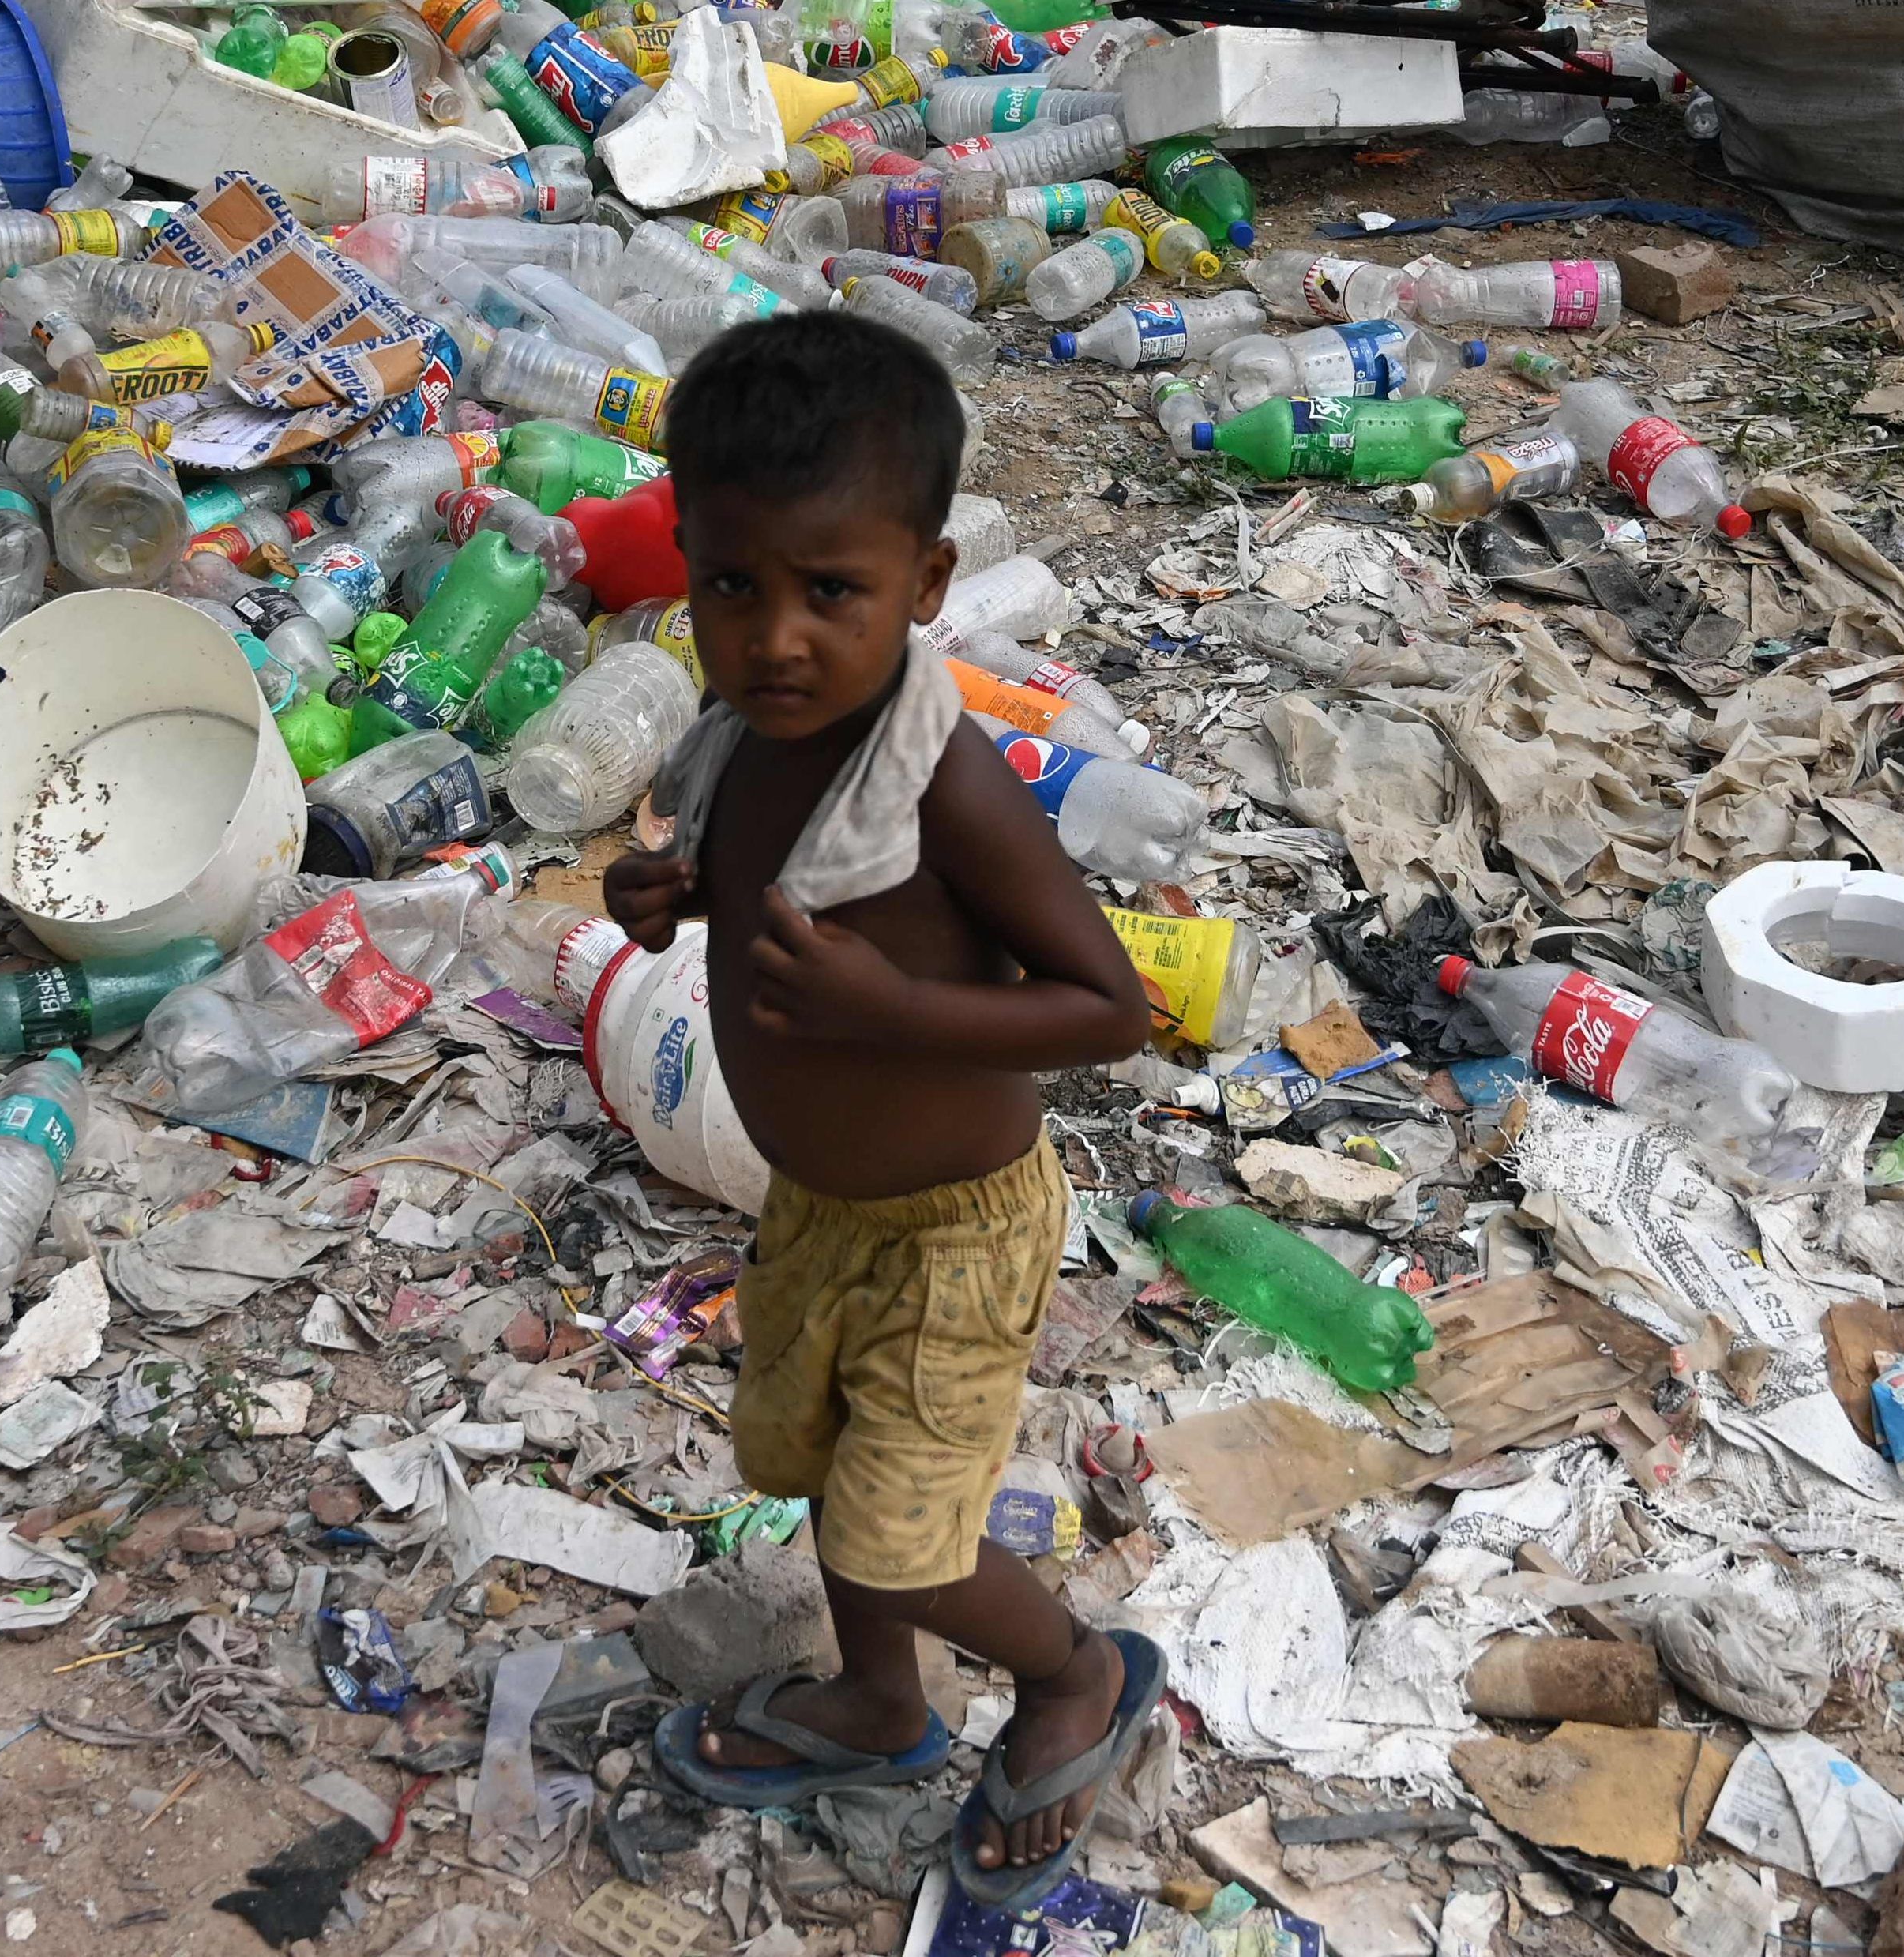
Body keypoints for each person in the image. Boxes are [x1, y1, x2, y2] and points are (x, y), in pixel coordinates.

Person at [610, 310, 1164, 1910]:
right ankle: (877, 1703)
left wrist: (889, 1011)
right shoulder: (744, 740)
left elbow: (1107, 1010)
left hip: (953, 1235)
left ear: (923, 586)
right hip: (820, 1213)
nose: (774, 636)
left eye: (829, 592)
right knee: (815, 1464)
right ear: (689, 566)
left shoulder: (948, 782)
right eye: (732, 586)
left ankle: (1073, 1677)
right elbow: (759, 889)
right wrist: (673, 895)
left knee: (903, 1536)